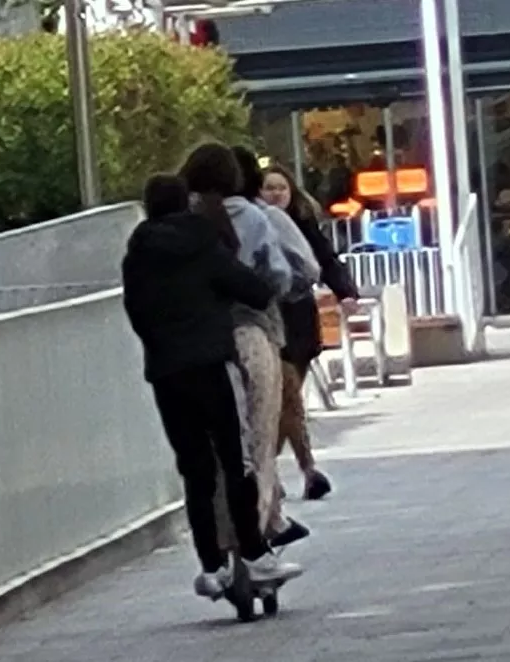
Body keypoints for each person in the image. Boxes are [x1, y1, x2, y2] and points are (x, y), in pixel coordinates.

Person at [121, 173, 303, 601]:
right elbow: (253, 290)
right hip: (213, 364)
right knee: (235, 461)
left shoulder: (137, 256)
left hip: (166, 372)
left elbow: (137, 313)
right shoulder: (203, 243)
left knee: (195, 467)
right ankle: (255, 553)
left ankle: (212, 567)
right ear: (186, 203)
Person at [180, 142, 315, 551]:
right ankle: (255, 540)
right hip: (252, 333)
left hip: (197, 342)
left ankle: (224, 539)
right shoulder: (256, 218)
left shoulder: (182, 221)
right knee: (257, 441)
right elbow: (285, 272)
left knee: (215, 450)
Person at [262, 164, 361, 499]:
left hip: (299, 319)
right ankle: (304, 470)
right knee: (286, 398)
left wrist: (345, 291)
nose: (275, 194)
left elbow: (326, 260)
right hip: (271, 320)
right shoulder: (251, 225)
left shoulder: (303, 225)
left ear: (291, 193)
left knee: (286, 400)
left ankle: (270, 471)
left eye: (281, 188)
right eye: (268, 188)